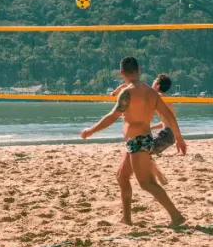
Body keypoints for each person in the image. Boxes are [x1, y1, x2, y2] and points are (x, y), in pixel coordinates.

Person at [80, 56, 188, 227]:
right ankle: (127, 219)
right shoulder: (151, 93)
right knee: (122, 176)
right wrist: (179, 139)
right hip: (138, 141)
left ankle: (176, 216)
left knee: (147, 183)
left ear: (122, 73)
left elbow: (112, 117)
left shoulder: (127, 93)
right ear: (139, 70)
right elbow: (169, 116)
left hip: (139, 142)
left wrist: (90, 131)